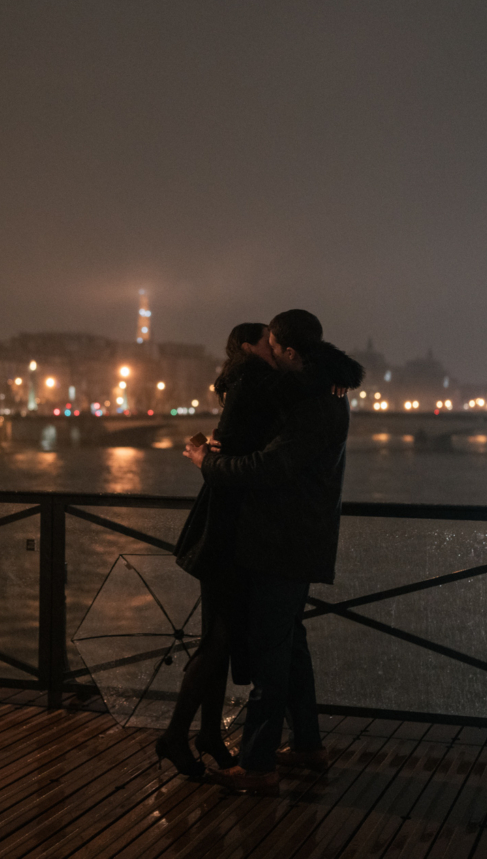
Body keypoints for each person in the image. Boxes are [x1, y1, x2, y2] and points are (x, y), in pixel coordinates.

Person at [184, 309, 363, 794]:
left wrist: (210, 462)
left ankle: (258, 763)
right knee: (290, 644)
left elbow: (269, 467)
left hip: (285, 540)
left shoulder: (315, 404)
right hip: (299, 535)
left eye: (270, 345)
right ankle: (306, 742)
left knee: (270, 654)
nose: (266, 353)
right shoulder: (325, 392)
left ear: (287, 351)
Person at [155, 322, 278, 778]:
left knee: (218, 638)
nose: (278, 348)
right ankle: (174, 736)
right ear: (249, 347)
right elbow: (231, 458)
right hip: (228, 529)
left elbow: (227, 449)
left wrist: (209, 455)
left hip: (225, 525)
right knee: (220, 639)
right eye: (270, 342)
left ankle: (206, 735)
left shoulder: (241, 384)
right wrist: (209, 458)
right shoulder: (253, 385)